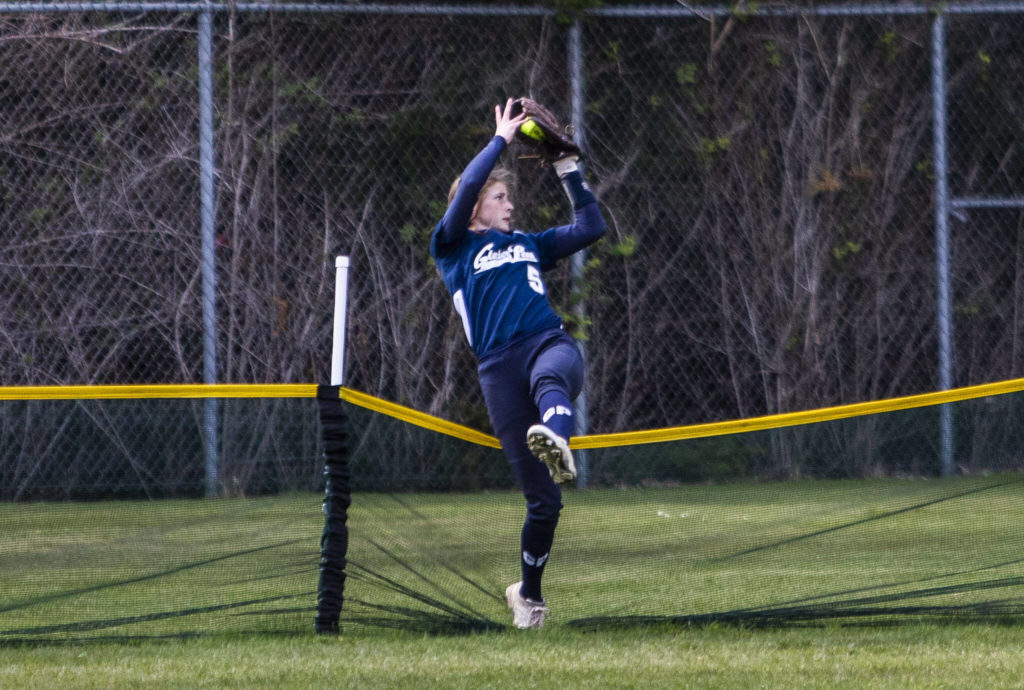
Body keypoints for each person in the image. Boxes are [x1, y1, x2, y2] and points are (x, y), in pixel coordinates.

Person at [429, 98, 606, 629]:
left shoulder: (528, 244)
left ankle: (557, 439)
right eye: (500, 196)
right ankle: (527, 595)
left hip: (545, 341)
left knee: (554, 374)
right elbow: (459, 202)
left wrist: (567, 170)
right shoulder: (453, 248)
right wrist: (501, 139)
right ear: (477, 202)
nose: (510, 205)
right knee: (544, 503)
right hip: (498, 370)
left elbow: (590, 226)